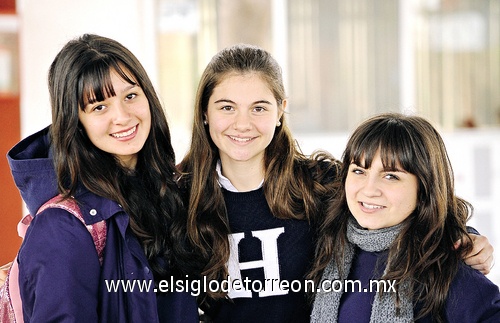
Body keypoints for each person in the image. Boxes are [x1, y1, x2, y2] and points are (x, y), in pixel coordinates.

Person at [170, 44, 494, 323]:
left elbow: (400, 200)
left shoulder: (319, 184)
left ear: (281, 111)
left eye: (259, 107)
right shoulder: (178, 198)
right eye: (227, 107)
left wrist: (466, 237)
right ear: (205, 112)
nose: (243, 124)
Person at [6, 34, 198, 322]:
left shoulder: (166, 193)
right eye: (99, 106)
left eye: (130, 96)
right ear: (75, 122)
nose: (122, 116)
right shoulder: (63, 227)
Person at [309, 113, 500, 322]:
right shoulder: (327, 246)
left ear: (424, 187)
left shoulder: (446, 268)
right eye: (359, 171)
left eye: (391, 176)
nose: (369, 189)